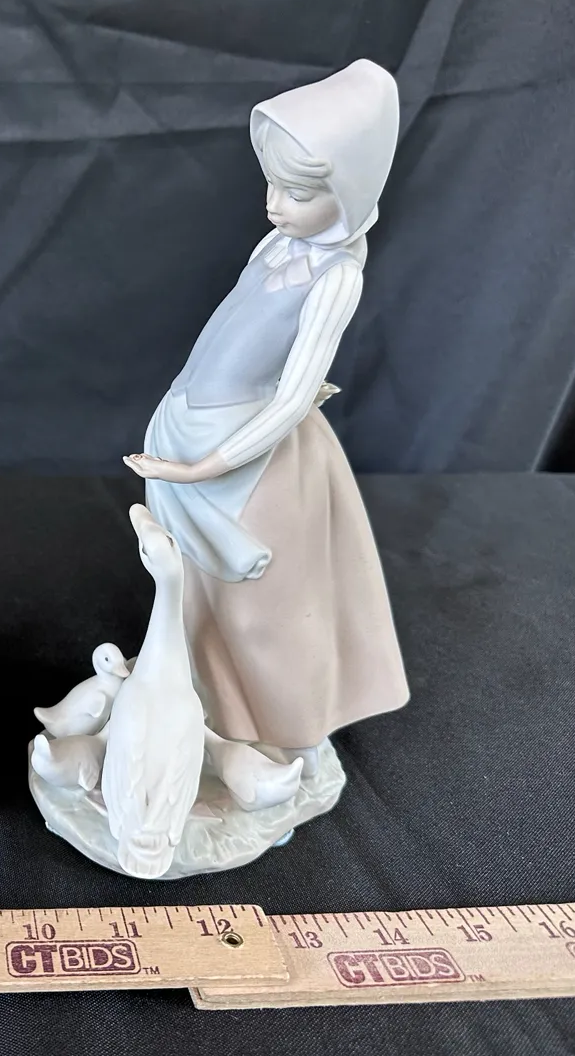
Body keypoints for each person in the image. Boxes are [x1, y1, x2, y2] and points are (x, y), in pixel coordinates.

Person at [124, 59, 410, 771]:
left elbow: (290, 397)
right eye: (272, 184)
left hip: (246, 458)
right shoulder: (276, 243)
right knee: (195, 596)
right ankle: (215, 711)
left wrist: (203, 467)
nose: (275, 205)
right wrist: (179, 436)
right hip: (190, 426)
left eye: (299, 192)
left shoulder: (337, 277)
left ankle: (287, 735)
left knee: (262, 609)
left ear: (350, 190)